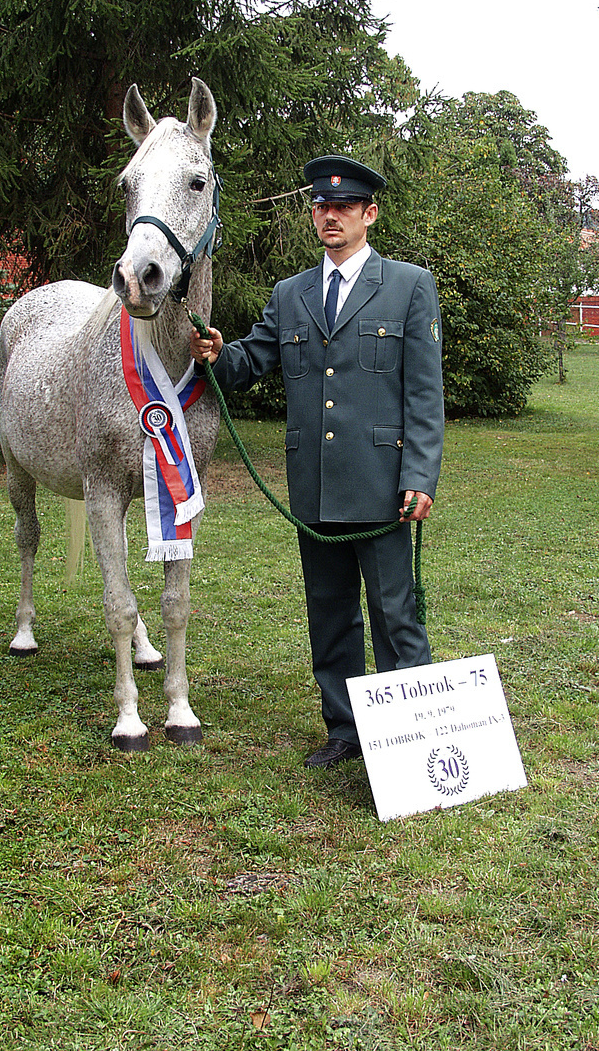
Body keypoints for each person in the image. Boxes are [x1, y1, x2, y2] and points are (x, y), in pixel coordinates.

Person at [190, 155, 444, 768]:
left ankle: (414, 734)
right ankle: (346, 731)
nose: (331, 215)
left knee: (393, 615)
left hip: (384, 488)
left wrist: (420, 475)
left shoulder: (409, 286)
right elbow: (250, 362)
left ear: (369, 214)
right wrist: (219, 354)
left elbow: (424, 392)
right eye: (322, 207)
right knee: (330, 616)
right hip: (316, 487)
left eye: (345, 207)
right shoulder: (292, 293)